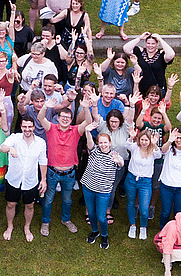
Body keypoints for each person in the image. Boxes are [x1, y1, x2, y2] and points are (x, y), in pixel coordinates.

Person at [36, 104, 95, 237]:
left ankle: (66, 219)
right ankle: (45, 221)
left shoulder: (75, 130)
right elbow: (40, 118)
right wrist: (45, 106)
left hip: (69, 173)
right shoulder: (51, 128)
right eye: (62, 117)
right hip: (52, 172)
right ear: (58, 118)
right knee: (48, 199)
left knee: (67, 199)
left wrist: (86, 108)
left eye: (68, 117)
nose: (65, 119)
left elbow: (88, 122)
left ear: (71, 119)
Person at [80, 132, 125, 249]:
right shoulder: (93, 151)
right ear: (98, 143)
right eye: (101, 142)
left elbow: (121, 164)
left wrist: (118, 161)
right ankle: (95, 231)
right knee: (91, 213)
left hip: (103, 191)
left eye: (105, 142)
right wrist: (87, 131)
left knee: (101, 216)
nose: (103, 145)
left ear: (110, 143)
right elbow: (89, 141)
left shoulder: (115, 156)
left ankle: (104, 235)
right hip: (88, 188)